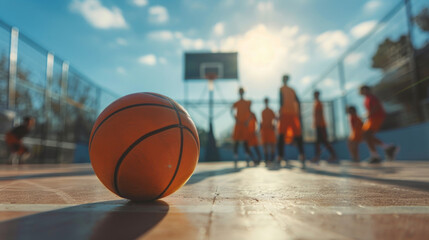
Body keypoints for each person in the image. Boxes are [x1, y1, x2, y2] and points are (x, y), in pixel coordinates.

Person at [359, 85, 399, 163]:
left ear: (367, 90)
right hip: (371, 118)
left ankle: (376, 155)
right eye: (362, 90)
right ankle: (386, 148)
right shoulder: (366, 99)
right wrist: (367, 115)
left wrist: (367, 115)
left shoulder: (372, 97)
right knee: (365, 135)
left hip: (376, 117)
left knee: (367, 134)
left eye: (364, 89)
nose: (363, 91)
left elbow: (376, 108)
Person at [277, 75, 306, 169]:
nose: (285, 80)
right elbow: (281, 101)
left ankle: (302, 155)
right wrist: (280, 113)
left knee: (298, 135)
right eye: (284, 79)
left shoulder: (292, 90)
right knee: (281, 135)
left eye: (286, 79)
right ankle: (280, 156)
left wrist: (299, 112)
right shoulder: (281, 89)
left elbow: (297, 101)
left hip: (293, 115)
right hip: (285, 114)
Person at [311, 91, 337, 163]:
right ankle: (317, 156)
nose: (315, 96)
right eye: (314, 94)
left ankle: (333, 155)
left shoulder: (318, 103)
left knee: (324, 141)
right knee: (318, 142)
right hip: (318, 125)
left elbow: (319, 114)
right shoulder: (316, 103)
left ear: (318, 95)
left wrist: (318, 125)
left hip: (321, 126)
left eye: (316, 94)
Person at [231, 87, 253, 168]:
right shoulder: (236, 103)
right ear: (239, 93)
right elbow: (231, 110)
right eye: (240, 92)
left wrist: (248, 121)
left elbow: (250, 113)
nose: (241, 93)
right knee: (236, 141)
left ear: (243, 93)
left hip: (244, 124)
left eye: (242, 91)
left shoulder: (247, 102)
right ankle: (235, 157)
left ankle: (247, 157)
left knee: (245, 141)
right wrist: (235, 118)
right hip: (238, 124)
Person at [260, 97, 276, 165]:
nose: (266, 102)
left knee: (272, 144)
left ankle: (272, 158)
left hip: (270, 129)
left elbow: (274, 119)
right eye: (265, 101)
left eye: (267, 101)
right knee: (265, 144)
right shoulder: (263, 111)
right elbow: (261, 120)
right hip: (264, 129)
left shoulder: (271, 111)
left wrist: (273, 125)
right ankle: (266, 159)